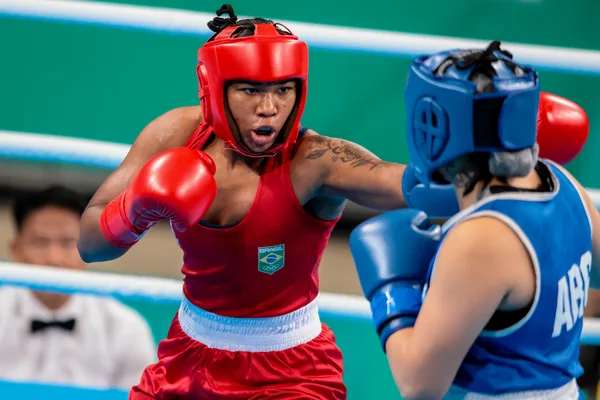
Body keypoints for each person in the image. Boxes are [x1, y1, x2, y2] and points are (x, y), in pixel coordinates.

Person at [76, 3, 587, 397]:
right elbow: (90, 243)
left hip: (289, 370)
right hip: (186, 351)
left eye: (283, 90)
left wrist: (501, 149)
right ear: (215, 90)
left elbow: (415, 187)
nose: (269, 108)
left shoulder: (315, 160)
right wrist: (137, 210)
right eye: (250, 91)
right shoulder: (175, 134)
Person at [350, 40, 594, 399]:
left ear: (431, 123)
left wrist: (393, 289)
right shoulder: (565, 185)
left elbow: (419, 384)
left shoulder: (482, 237)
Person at [0, 186, 156, 390]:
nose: (54, 258)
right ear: (16, 250)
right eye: (40, 242)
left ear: (86, 247)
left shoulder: (125, 327)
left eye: (67, 243)